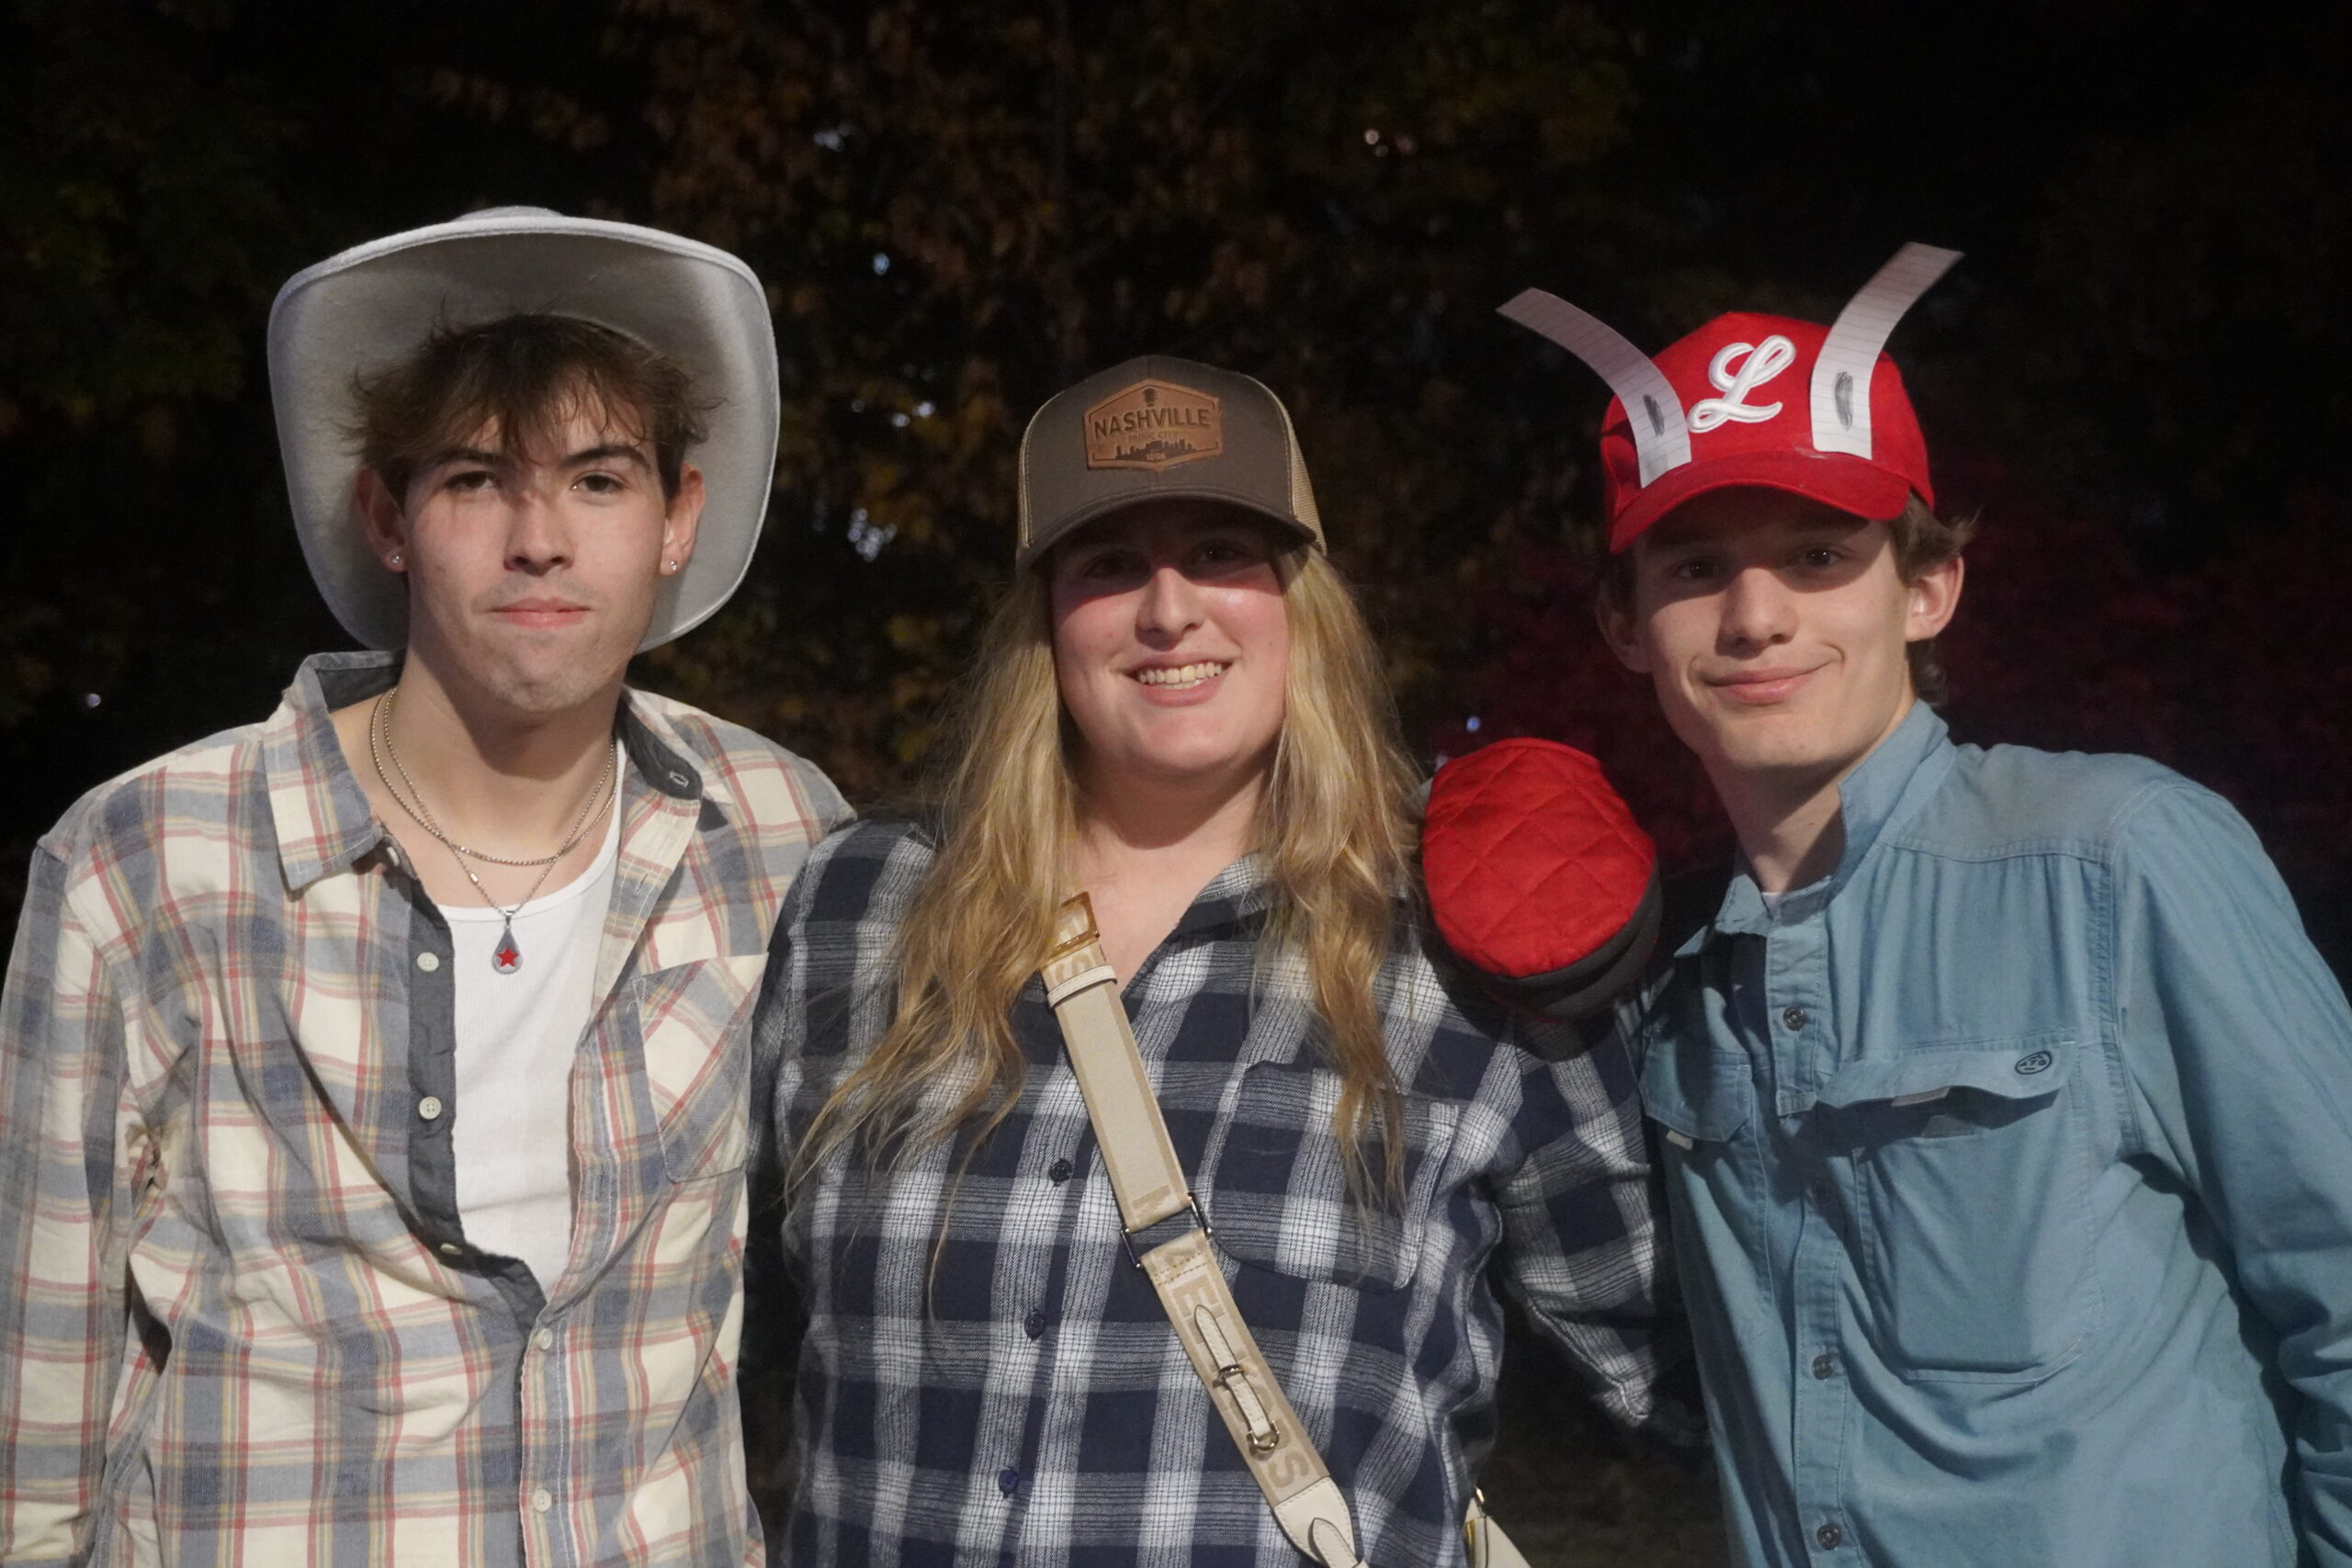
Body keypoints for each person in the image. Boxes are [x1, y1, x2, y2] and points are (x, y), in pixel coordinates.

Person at [1467, 244, 2352, 1566]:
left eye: (1819, 553)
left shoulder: (2115, 860)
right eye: (1695, 567)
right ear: (1625, 623)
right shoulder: (1680, 996)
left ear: (1927, 586)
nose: (1757, 614)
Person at [0, 207, 849, 1566]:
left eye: (598, 480)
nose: (539, 539)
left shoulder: (777, 833)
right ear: (388, 516)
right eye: (473, 481)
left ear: (678, 517)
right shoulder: (150, 862)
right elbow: (34, 1404)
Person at [750, 355, 1694, 1566]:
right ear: (1042, 615)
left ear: (1302, 601)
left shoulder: (1456, 944)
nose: (1167, 608)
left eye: (1221, 552)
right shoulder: (862, 903)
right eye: (1107, 564)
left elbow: (1690, 1367)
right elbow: (727, 1328)